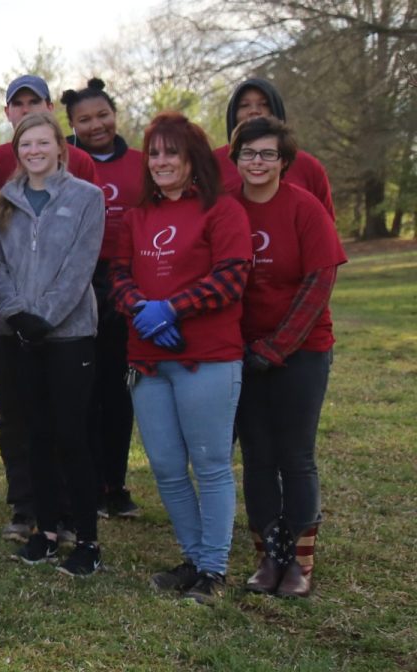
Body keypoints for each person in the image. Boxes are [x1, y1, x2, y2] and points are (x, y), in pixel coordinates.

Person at [111, 112, 252, 605]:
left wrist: (174, 308)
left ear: (192, 159)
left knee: (210, 464)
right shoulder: (137, 215)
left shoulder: (223, 211)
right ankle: (192, 558)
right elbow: (120, 276)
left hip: (208, 357)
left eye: (172, 152)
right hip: (148, 361)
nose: (161, 161)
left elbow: (232, 276)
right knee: (168, 466)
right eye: (154, 153)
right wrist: (139, 308)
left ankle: (213, 569)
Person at [0, 112, 108, 576]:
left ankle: (87, 540)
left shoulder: (87, 198)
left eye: (42, 143)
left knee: (71, 435)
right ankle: (46, 531)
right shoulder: (4, 202)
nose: (34, 151)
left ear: (60, 146)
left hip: (69, 335)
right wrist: (16, 312)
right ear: (17, 152)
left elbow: (81, 265)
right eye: (25, 145)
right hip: (18, 335)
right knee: (34, 432)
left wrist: (47, 317)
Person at [229, 116, 344, 598]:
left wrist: (278, 346)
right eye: (248, 153)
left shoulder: (304, 207)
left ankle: (298, 562)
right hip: (242, 352)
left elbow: (320, 281)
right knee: (256, 455)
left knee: (295, 455)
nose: (257, 162)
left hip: (302, 350)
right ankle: (266, 557)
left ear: (284, 161)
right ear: (235, 159)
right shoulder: (226, 209)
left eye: (267, 154)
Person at [61, 78, 145, 520]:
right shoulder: (66, 165)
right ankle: (86, 483)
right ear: (71, 126)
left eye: (102, 115)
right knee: (83, 389)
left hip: (131, 285)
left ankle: (115, 483)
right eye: (84, 120)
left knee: (118, 390)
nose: (96, 125)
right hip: (80, 283)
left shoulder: (143, 163)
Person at [216, 79, 334, 215]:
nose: (254, 111)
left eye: (264, 104)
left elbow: (325, 225)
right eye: (244, 105)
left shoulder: (307, 166)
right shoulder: (211, 164)